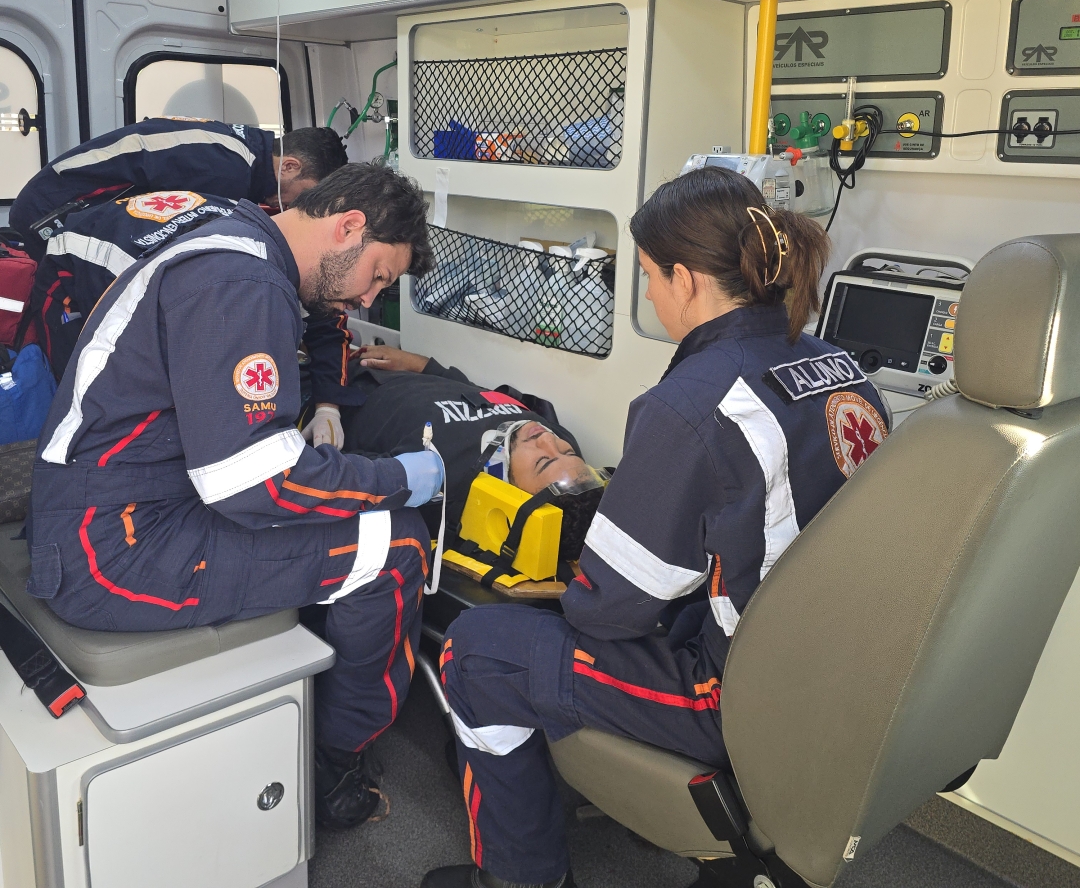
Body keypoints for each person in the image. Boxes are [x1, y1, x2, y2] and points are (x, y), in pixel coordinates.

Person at [422, 167, 890, 888]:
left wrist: (562, 591)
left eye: (646, 276)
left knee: (479, 650)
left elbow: (612, 612)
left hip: (738, 696)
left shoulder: (689, 405)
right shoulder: (839, 367)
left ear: (686, 278)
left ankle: (522, 879)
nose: (647, 294)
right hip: (837, 671)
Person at [26, 164, 442, 832]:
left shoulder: (229, 239)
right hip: (115, 553)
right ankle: (336, 759)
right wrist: (397, 478)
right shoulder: (243, 281)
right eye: (379, 275)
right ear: (349, 226)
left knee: (341, 506)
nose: (368, 300)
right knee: (397, 543)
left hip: (108, 519)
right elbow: (251, 483)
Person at [24, 185, 372, 430]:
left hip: (159, 227)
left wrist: (328, 406)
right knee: (88, 397)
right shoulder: (206, 280)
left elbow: (327, 323)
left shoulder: (285, 251)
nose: (368, 299)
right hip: (72, 263)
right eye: (378, 275)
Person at [339, 345, 607, 564]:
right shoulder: (562, 446)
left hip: (348, 386)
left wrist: (326, 407)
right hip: (403, 367)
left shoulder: (440, 481)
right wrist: (421, 364)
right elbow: (481, 395)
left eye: (543, 461)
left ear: (511, 497)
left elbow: (343, 469)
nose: (549, 439)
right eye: (566, 451)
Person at [10, 119, 348, 262]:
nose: (296, 205)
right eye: (304, 195)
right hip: (52, 211)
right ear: (289, 166)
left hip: (63, 201)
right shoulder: (226, 167)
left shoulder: (246, 149)